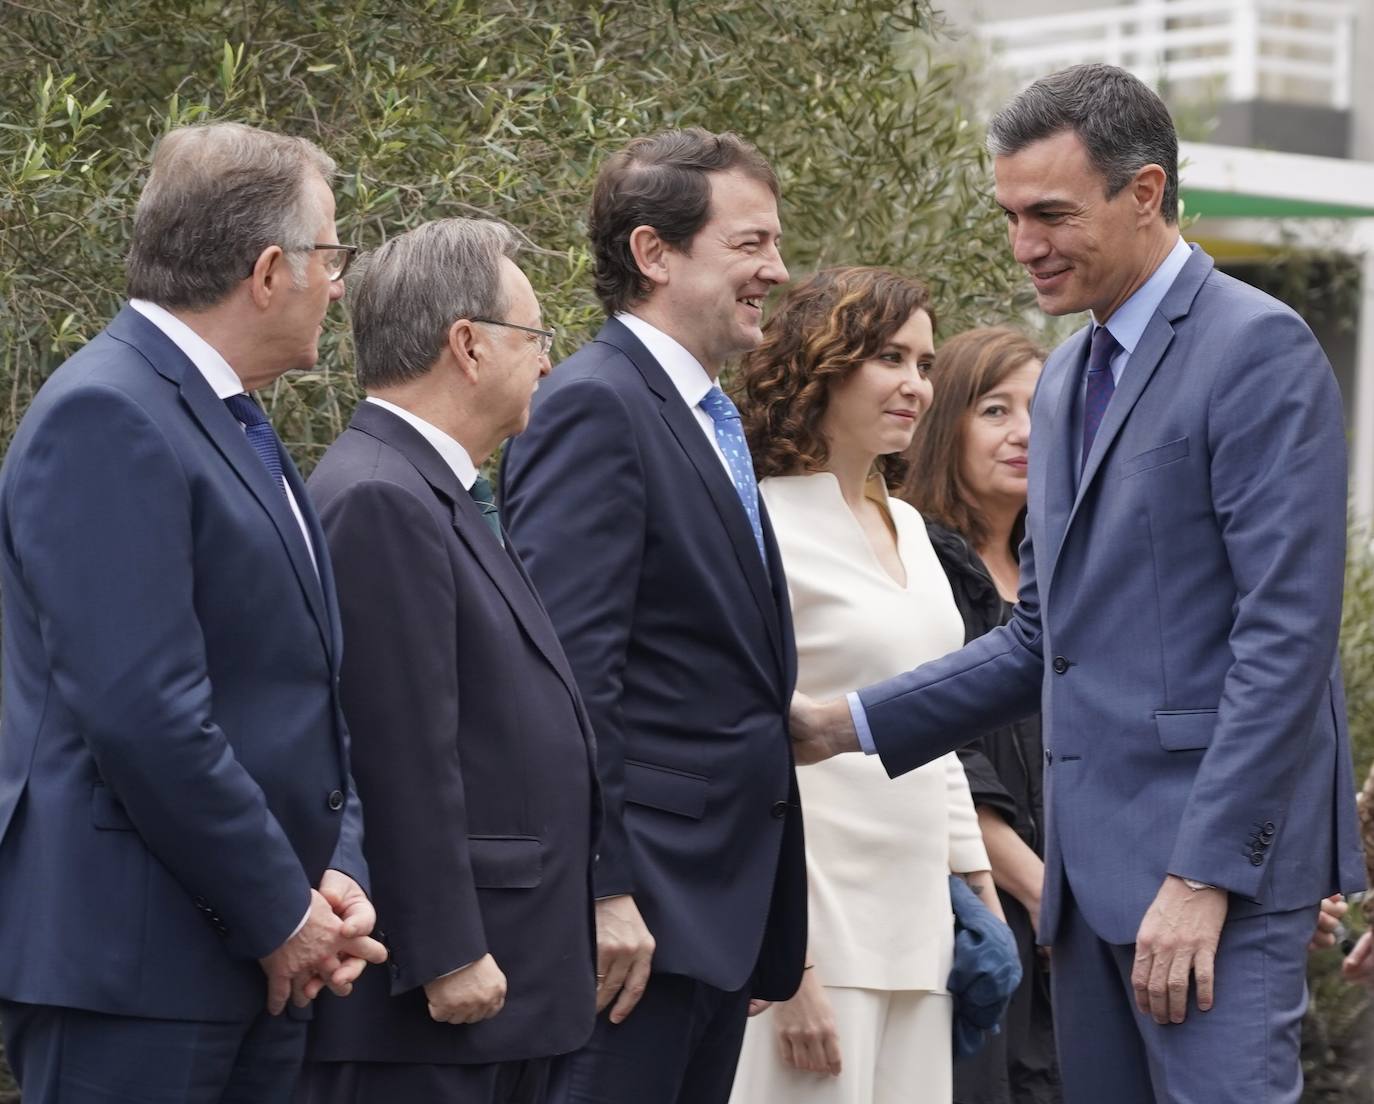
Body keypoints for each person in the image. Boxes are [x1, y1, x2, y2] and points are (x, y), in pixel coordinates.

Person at [788, 63, 1364, 1103]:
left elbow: (1286, 639)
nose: (1023, 247)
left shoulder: (1259, 350)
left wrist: (1204, 876)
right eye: (1009, 216)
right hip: (1086, 894)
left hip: (1211, 887)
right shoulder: (1061, 385)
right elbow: (1038, 640)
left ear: (1144, 193)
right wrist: (839, 726)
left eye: (1050, 214)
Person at [0, 122, 387, 1104]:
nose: (338, 284)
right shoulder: (110, 413)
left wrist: (330, 876)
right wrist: (278, 911)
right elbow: (143, 712)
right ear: (268, 271)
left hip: (248, 955)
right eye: (330, 255)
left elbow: (295, 682)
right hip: (137, 967)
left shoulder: (228, 417)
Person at [500, 127, 806, 1104]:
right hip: (634, 925)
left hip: (710, 919)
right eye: (751, 244)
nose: (778, 269)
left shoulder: (706, 418)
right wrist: (600, 885)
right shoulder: (596, 407)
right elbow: (563, 677)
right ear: (654, 253)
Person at [294, 218, 599, 1104]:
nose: (548, 364)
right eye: (536, 338)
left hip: (500, 991)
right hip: (430, 1015)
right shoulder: (385, 495)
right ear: (467, 343)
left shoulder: (439, 491)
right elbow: (396, 749)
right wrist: (449, 949)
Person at [726, 266, 1003, 1104]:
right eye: (890, 358)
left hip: (919, 933)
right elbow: (747, 751)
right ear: (824, 362)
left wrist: (979, 899)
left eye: (924, 363)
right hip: (816, 933)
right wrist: (791, 966)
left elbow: (932, 723)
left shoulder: (916, 531)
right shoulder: (759, 521)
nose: (917, 385)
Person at [900, 326, 1059, 1104]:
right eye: (996, 410)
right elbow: (944, 752)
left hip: (1073, 914)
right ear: (946, 423)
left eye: (1041, 410)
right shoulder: (916, 561)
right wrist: (1040, 889)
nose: (1025, 433)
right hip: (973, 911)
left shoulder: (1065, 569)